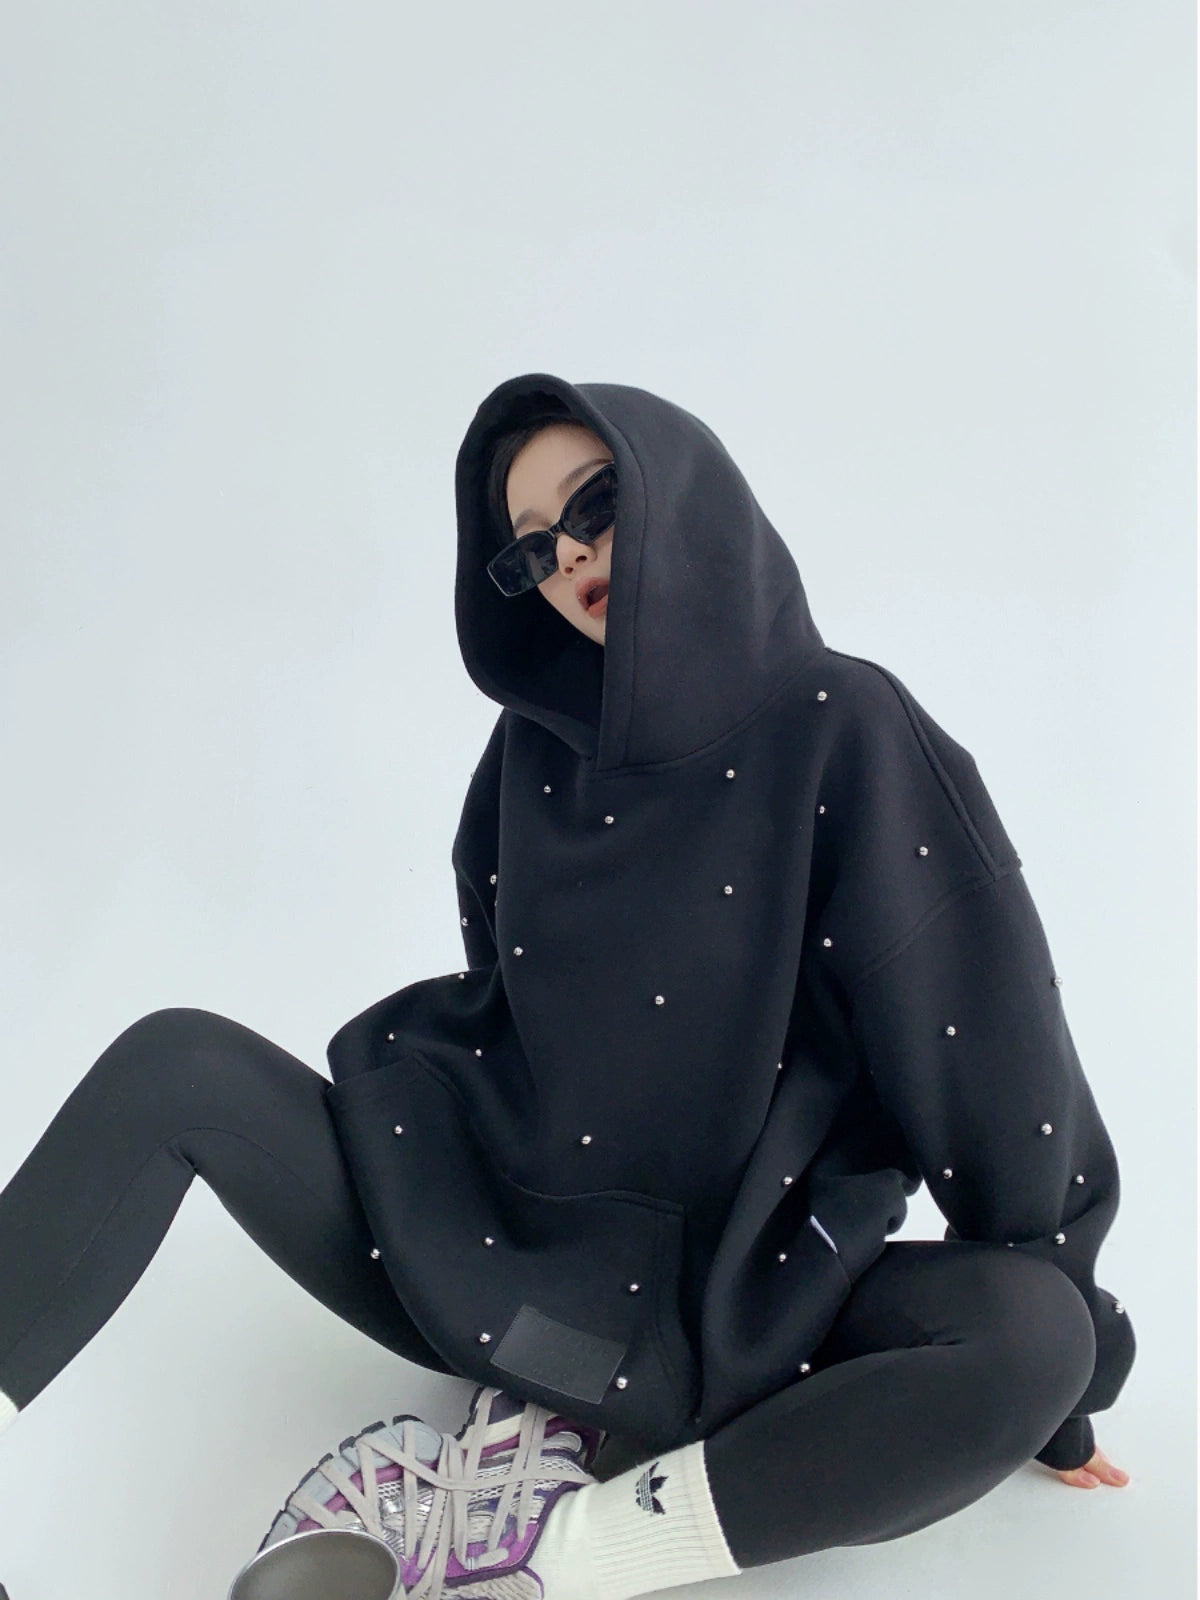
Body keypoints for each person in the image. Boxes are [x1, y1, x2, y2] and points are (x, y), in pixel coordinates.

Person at [0, 374, 1133, 1599]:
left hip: (756, 1305)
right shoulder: (529, 756)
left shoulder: (843, 723)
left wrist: (1064, 1388)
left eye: (596, 505)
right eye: (531, 548)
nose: (570, 556)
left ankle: (558, 1558)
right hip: (491, 1253)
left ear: (684, 492)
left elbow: (989, 1050)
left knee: (1037, 1337)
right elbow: (506, 985)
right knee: (178, 1064)